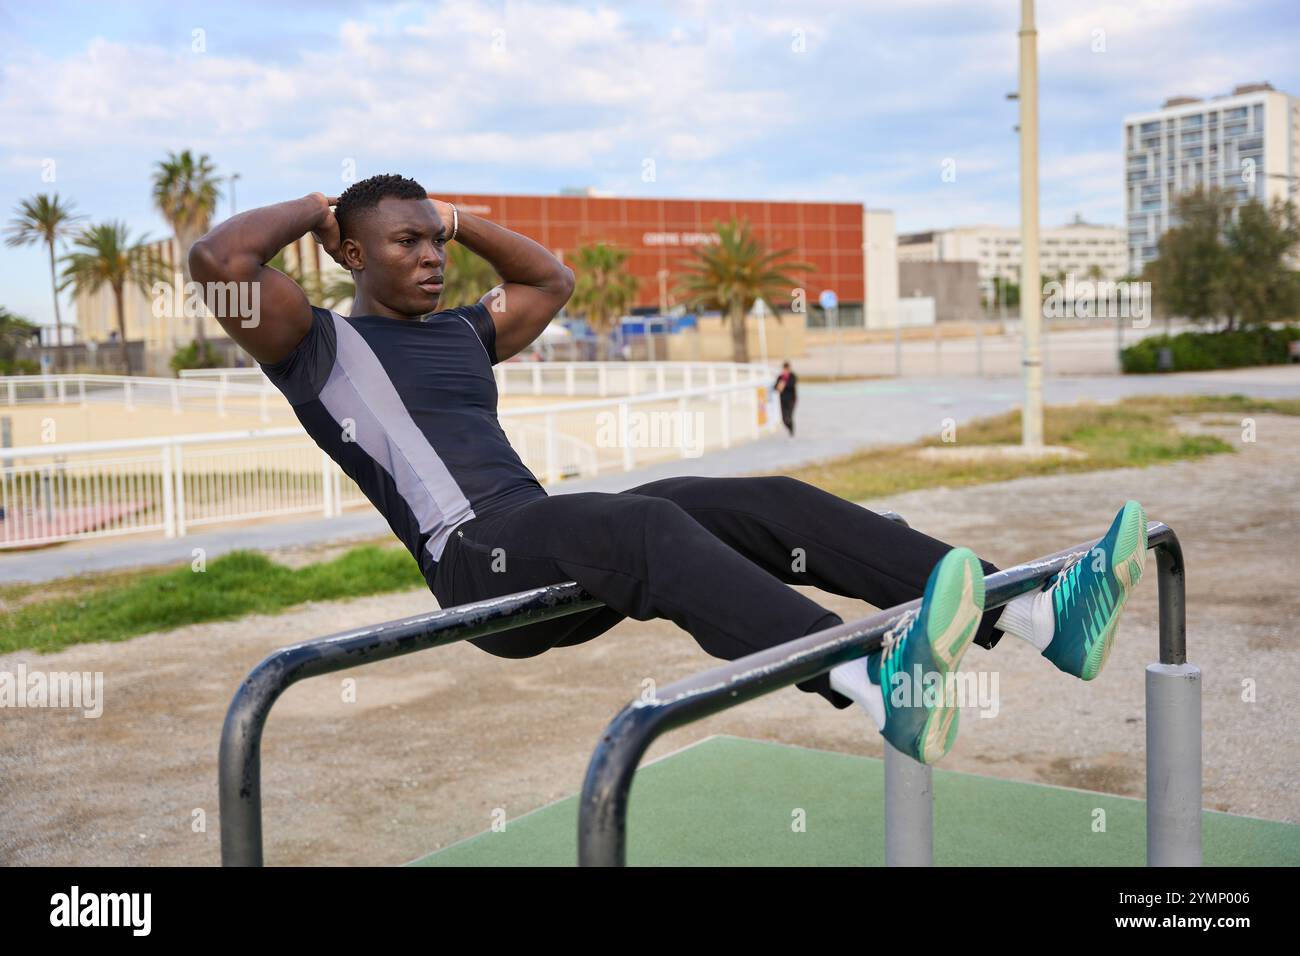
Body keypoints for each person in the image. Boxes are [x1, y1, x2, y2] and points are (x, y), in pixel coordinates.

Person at [189, 174, 1149, 766]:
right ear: (349, 254)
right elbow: (217, 254)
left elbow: (548, 282)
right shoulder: (312, 346)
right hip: (474, 558)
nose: (434, 256)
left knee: (755, 500)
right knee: (641, 525)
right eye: (407, 242)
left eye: (436, 240)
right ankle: (866, 674)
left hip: (548, 535)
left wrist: (459, 213)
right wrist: (322, 205)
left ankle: (1032, 613)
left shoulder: (461, 334)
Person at [773, 360, 797, 436]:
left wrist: (783, 384)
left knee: (789, 416)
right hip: (782, 400)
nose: (785, 370)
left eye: (787, 369)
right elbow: (775, 387)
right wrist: (779, 386)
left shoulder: (792, 376)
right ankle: (790, 428)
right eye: (784, 369)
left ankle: (791, 430)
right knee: (783, 418)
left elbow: (791, 385)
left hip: (791, 400)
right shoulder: (780, 377)